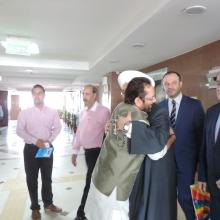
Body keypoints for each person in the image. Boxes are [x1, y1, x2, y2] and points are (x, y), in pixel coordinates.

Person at [85, 77, 169, 220]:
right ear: (137, 101)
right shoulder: (139, 119)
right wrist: (171, 138)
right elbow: (157, 154)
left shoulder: (120, 107)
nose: (154, 101)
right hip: (115, 188)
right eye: (151, 98)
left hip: (100, 177)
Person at [117, 70, 177, 220]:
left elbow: (156, 152)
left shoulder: (157, 112)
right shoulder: (124, 112)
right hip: (133, 176)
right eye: (124, 92)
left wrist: (129, 129)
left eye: (128, 92)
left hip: (154, 175)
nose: (125, 97)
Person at [160, 71, 205, 220]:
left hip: (187, 162)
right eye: (166, 84)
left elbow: (201, 137)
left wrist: (201, 165)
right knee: (166, 200)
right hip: (165, 163)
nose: (170, 86)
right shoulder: (159, 107)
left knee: (185, 198)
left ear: (180, 84)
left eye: (173, 83)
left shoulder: (194, 105)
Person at [16, 84, 62, 220]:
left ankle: (48, 203)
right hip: (31, 149)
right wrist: (35, 141)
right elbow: (19, 130)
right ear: (32, 95)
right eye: (35, 93)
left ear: (44, 95)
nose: (37, 96)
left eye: (40, 93)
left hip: (46, 147)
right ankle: (35, 207)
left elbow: (58, 128)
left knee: (47, 177)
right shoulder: (25, 112)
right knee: (32, 179)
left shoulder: (52, 111)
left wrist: (49, 141)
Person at [71, 84, 110, 220]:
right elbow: (79, 133)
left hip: (97, 152)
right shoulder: (83, 112)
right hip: (87, 153)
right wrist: (75, 151)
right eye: (83, 94)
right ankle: (95, 209)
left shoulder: (104, 111)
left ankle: (81, 213)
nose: (84, 97)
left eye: (87, 94)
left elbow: (109, 134)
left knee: (90, 182)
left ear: (94, 95)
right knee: (93, 183)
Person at [198, 73, 220, 220]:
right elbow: (205, 147)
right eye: (218, 83)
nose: (219, 88)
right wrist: (202, 176)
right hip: (212, 185)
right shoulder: (212, 112)